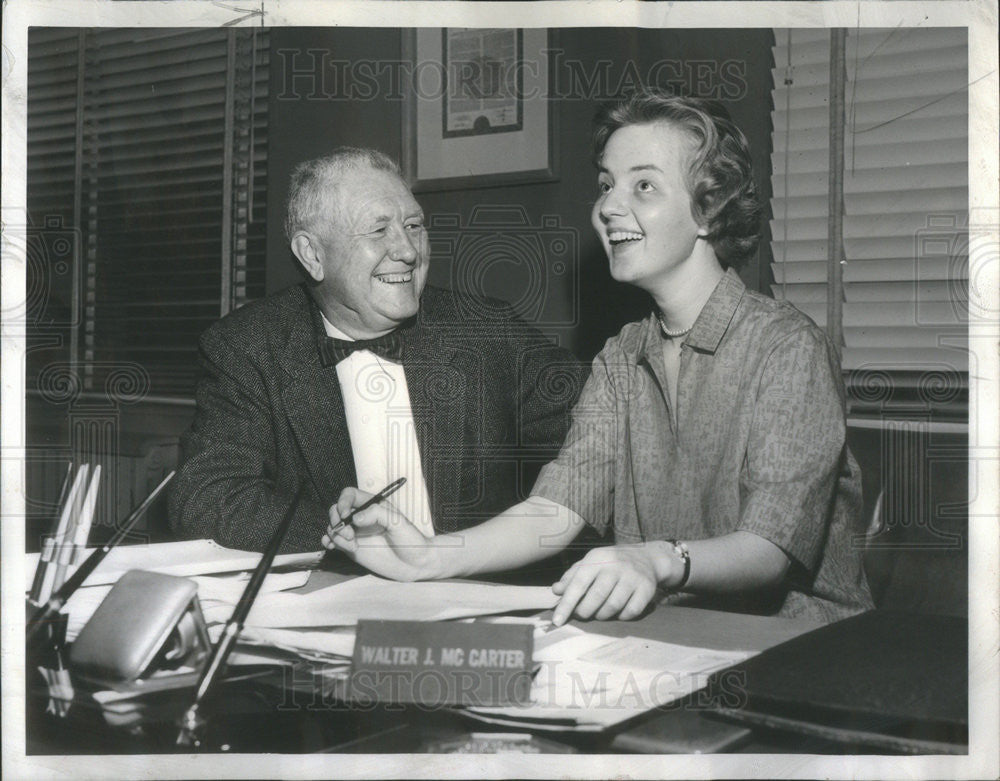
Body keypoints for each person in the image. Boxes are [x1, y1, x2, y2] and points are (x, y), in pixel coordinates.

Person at [324, 91, 874, 625]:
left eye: (644, 186)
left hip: (799, 652)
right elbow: (557, 510)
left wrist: (656, 559)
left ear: (709, 209)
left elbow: (767, 550)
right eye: (607, 185)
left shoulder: (787, 347)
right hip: (668, 640)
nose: (610, 207)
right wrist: (429, 556)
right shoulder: (622, 356)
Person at [169, 147, 585, 554]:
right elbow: (208, 498)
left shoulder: (486, 328)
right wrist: (355, 535)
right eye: (378, 230)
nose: (407, 251)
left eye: (414, 226)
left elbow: (599, 435)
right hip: (333, 599)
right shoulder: (248, 348)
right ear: (313, 255)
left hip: (476, 594)